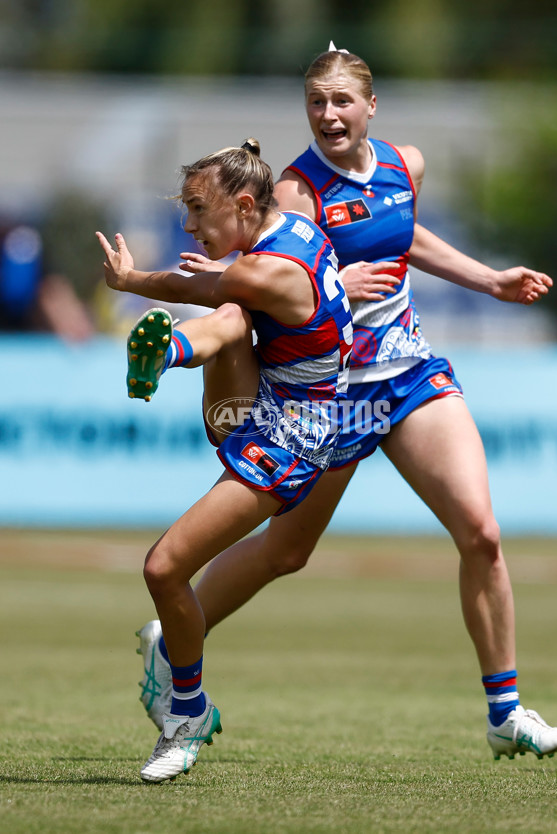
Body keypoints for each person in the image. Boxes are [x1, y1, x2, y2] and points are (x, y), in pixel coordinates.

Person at [134, 46, 557, 762]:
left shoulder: (406, 165)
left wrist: (488, 280)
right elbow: (266, 276)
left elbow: (403, 234)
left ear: (371, 106)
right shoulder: (294, 191)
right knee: (286, 553)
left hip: (410, 375)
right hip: (334, 394)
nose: (329, 114)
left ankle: (506, 712)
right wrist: (334, 279)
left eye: (342, 100)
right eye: (317, 101)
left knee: (482, 532)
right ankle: (174, 640)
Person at [96, 137, 353, 783]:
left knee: (164, 567)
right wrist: (234, 156)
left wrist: (129, 281)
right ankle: (166, 354)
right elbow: (219, 268)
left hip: (292, 434)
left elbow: (184, 284)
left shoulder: (261, 272)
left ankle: (188, 715)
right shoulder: (287, 219)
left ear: (242, 205)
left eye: (196, 209)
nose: (188, 225)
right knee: (233, 315)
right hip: (263, 402)